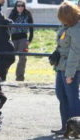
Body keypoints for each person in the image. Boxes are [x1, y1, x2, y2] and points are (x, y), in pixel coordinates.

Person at [51, 1, 80, 135]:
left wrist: (70, 74)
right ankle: (66, 126)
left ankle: (76, 128)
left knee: (72, 97)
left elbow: (75, 52)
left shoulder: (76, 29)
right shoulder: (65, 26)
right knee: (61, 95)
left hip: (71, 67)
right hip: (60, 66)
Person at [9, 0, 34, 81]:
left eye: (22, 5)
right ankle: (1, 75)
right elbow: (7, 26)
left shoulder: (27, 14)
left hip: (23, 38)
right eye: (18, 5)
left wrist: (29, 39)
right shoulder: (12, 14)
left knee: (22, 58)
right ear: (16, 6)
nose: (20, 7)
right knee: (8, 57)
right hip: (13, 38)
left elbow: (31, 27)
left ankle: (20, 77)